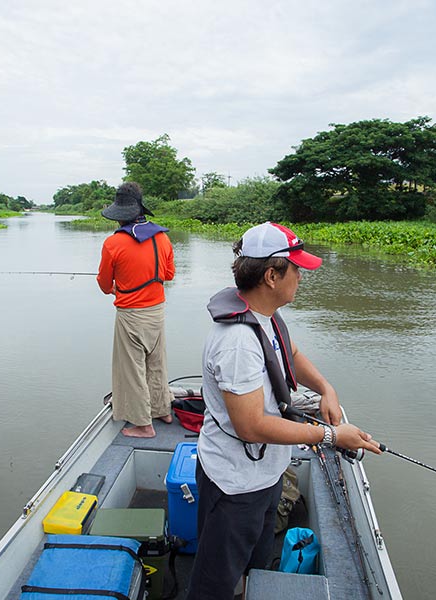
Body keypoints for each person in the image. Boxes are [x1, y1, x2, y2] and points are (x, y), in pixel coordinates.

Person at [185, 222, 382, 600]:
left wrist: (326, 388)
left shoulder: (264, 315)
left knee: (255, 560)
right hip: (235, 482)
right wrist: (330, 436)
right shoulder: (238, 343)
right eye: (296, 269)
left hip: (266, 472)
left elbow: (289, 353)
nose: (301, 277)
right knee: (214, 581)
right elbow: (251, 425)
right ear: (272, 275)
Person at [96, 182, 176, 438]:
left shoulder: (113, 244)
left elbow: (103, 284)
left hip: (131, 315)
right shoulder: (162, 237)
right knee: (157, 363)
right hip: (158, 311)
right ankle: (163, 409)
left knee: (132, 369)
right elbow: (169, 274)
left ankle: (143, 424)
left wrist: (117, 288)